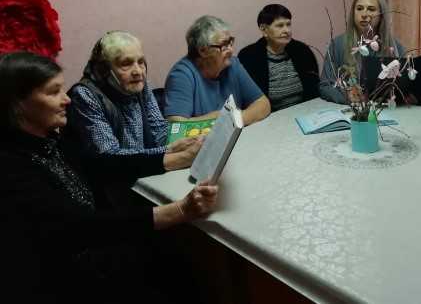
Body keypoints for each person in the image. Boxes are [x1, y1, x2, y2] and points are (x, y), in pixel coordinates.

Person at [0, 51, 218, 303]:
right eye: (53, 92)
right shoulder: (10, 166)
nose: (66, 99)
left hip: (100, 255)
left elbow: (100, 164)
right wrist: (179, 210)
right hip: (66, 279)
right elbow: (80, 225)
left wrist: (168, 154)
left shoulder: (49, 137)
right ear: (18, 104)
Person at [68, 31, 180, 158]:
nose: (138, 71)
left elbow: (160, 132)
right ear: (104, 70)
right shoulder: (85, 95)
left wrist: (190, 141)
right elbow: (110, 155)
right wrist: (170, 151)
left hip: (144, 167)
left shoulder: (140, 86)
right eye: (126, 64)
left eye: (141, 62)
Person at [164, 16, 271, 125]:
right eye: (223, 45)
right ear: (203, 51)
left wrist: (233, 119)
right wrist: (217, 119)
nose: (231, 50)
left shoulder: (232, 64)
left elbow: (263, 104)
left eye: (230, 42)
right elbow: (176, 125)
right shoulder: (181, 75)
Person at [319, 0, 405, 104]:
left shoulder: (394, 46)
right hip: (349, 109)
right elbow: (325, 86)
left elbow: (403, 85)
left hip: (384, 108)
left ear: (381, 15)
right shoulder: (337, 45)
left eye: (371, 9)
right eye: (359, 8)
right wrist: (346, 97)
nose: (364, 14)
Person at [238, 4, 319, 111]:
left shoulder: (302, 51)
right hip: (270, 116)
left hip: (306, 111)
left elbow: (314, 89)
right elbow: (249, 100)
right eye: (280, 26)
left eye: (288, 24)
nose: (287, 30)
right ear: (264, 30)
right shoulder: (249, 57)